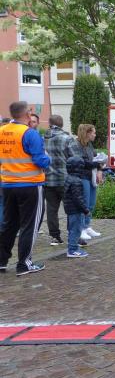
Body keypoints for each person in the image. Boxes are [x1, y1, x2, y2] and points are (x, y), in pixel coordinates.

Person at [0, 101, 50, 275]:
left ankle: (1, 261)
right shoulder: (30, 133)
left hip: (7, 184)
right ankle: (24, 264)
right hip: (30, 184)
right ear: (27, 114)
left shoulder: (2, 131)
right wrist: (48, 159)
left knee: (9, 224)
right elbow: (40, 160)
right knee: (30, 225)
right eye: (30, 111)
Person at [42, 115, 77, 246]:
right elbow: (75, 158)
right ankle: (73, 235)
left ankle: (55, 236)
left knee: (51, 209)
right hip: (65, 179)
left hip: (48, 179)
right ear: (61, 124)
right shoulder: (67, 138)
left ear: (49, 123)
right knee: (71, 208)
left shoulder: (42, 139)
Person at [75, 124, 104, 242]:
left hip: (91, 176)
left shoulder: (90, 145)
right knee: (84, 203)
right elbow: (82, 162)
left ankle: (87, 226)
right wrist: (97, 164)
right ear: (87, 133)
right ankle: (81, 228)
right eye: (93, 133)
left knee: (91, 203)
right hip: (82, 176)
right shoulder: (77, 145)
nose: (95, 135)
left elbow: (96, 158)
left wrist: (100, 169)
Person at [64, 156, 91, 258]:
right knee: (76, 230)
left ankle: (72, 247)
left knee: (71, 229)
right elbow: (78, 198)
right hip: (75, 210)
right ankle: (72, 250)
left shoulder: (68, 178)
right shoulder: (77, 181)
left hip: (69, 208)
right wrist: (85, 210)